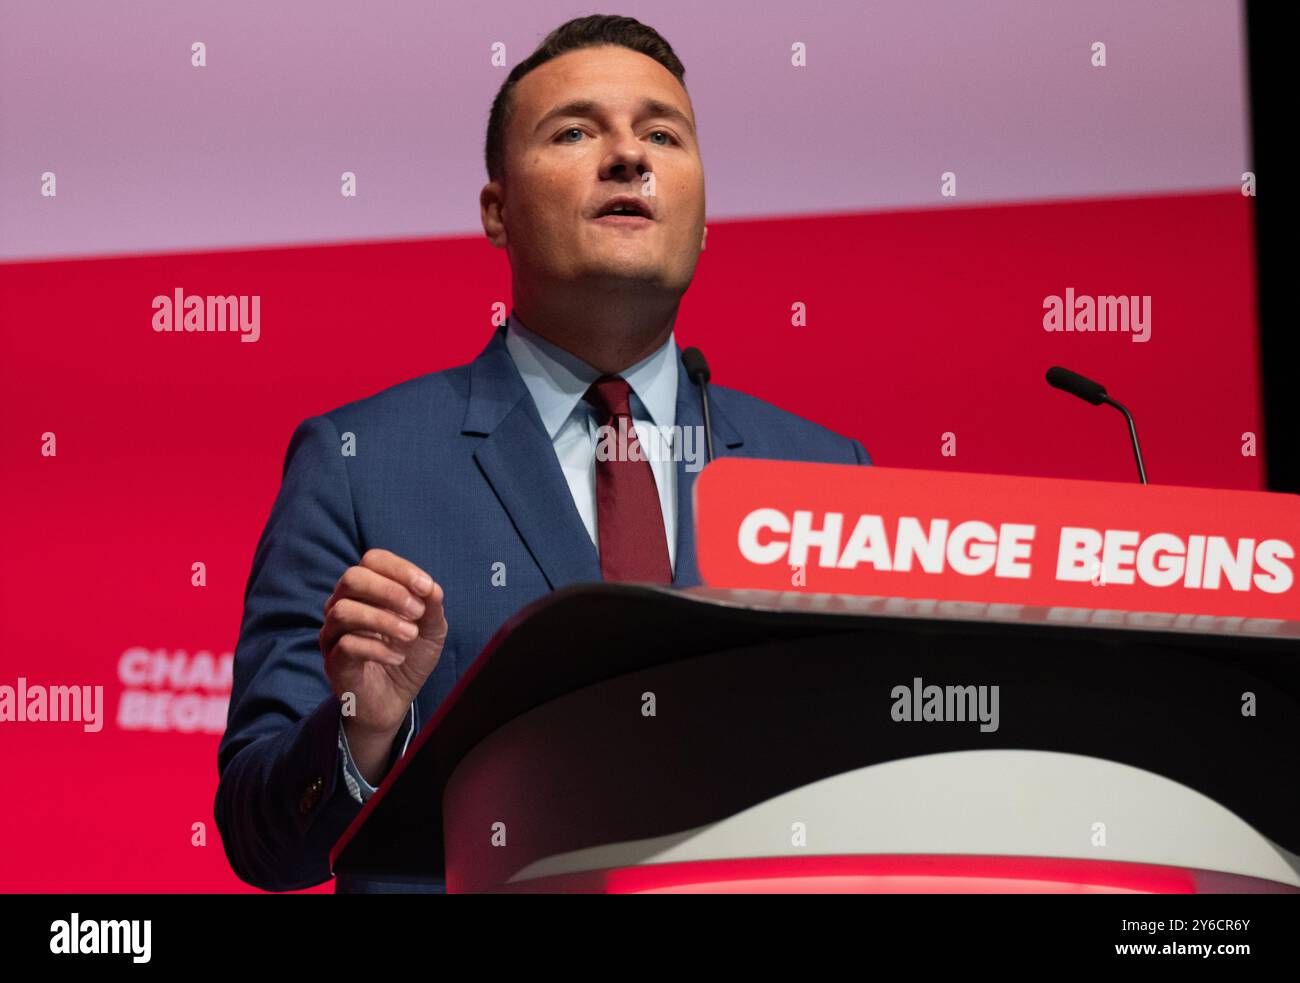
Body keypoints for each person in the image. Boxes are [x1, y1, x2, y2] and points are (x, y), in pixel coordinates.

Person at [215, 13, 872, 893]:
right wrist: (358, 728)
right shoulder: (359, 461)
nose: (629, 158)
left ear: (705, 218)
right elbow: (264, 843)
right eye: (575, 131)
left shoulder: (829, 475)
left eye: (662, 135)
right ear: (497, 210)